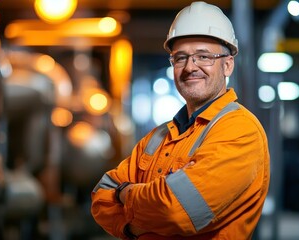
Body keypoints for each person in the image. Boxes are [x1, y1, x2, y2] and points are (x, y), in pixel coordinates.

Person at [91, 1, 270, 239]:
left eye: (204, 56)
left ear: (227, 65)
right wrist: (134, 223)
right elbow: (102, 196)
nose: (190, 67)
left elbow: (177, 211)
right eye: (180, 57)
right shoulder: (158, 137)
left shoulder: (240, 131)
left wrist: (124, 194)